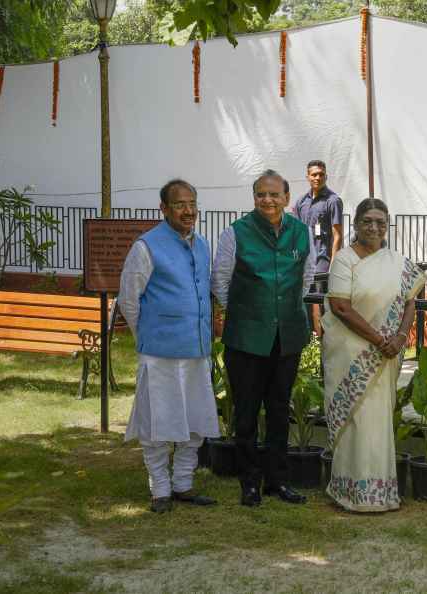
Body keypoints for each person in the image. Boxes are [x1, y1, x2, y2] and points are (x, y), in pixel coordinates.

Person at [211, 169, 314, 507]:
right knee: (245, 413)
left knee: (279, 410)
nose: (267, 200)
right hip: (246, 338)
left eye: (274, 194)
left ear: (286, 198)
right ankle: (249, 482)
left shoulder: (301, 233)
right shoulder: (235, 233)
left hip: (287, 336)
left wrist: (284, 310)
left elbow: (307, 276)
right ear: (254, 197)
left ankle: (277, 480)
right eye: (260, 194)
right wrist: (245, 313)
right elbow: (221, 280)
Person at [119, 179, 219, 514]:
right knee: (157, 423)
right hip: (159, 353)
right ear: (163, 208)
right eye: (180, 204)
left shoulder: (202, 245)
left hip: (196, 351)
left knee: (196, 419)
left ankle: (183, 484)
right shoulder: (146, 247)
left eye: (192, 203)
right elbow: (129, 301)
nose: (188, 210)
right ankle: (160, 489)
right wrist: (147, 336)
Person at [322, 198, 426, 512]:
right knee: (357, 421)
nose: (374, 227)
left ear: (387, 225)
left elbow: (411, 300)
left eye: (381, 222)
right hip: (352, 354)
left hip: (386, 355)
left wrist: (400, 336)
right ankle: (350, 491)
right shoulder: (344, 260)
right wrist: (381, 339)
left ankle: (380, 492)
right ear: (356, 224)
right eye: (368, 221)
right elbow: (340, 307)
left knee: (378, 421)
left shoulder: (396, 261)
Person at [294, 160, 344, 333]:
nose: (318, 177)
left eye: (321, 174)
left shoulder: (333, 200)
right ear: (308, 177)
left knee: (323, 302)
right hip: (304, 260)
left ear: (326, 176)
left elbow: (337, 235)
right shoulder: (301, 202)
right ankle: (309, 341)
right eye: (314, 174)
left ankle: (327, 341)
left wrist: (333, 264)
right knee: (305, 300)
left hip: (324, 259)